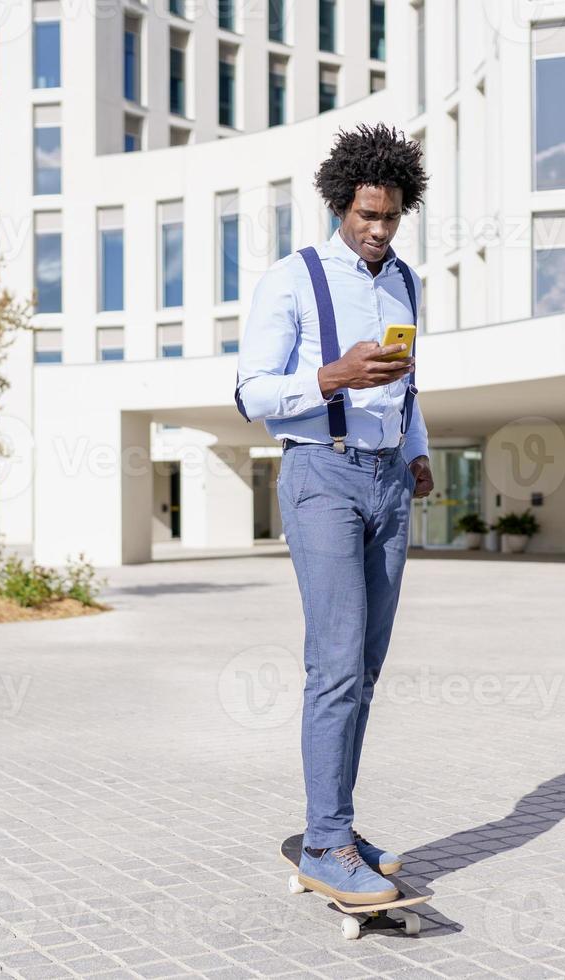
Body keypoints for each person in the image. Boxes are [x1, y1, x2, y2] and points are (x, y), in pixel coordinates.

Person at [235, 123, 432, 904]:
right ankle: (322, 840)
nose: (378, 232)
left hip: (388, 481)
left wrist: (415, 449)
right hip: (321, 475)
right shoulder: (293, 279)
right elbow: (252, 393)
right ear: (339, 205)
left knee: (366, 668)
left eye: (389, 218)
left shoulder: (405, 282)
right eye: (365, 217)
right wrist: (334, 376)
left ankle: (337, 824)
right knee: (338, 664)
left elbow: (407, 385)